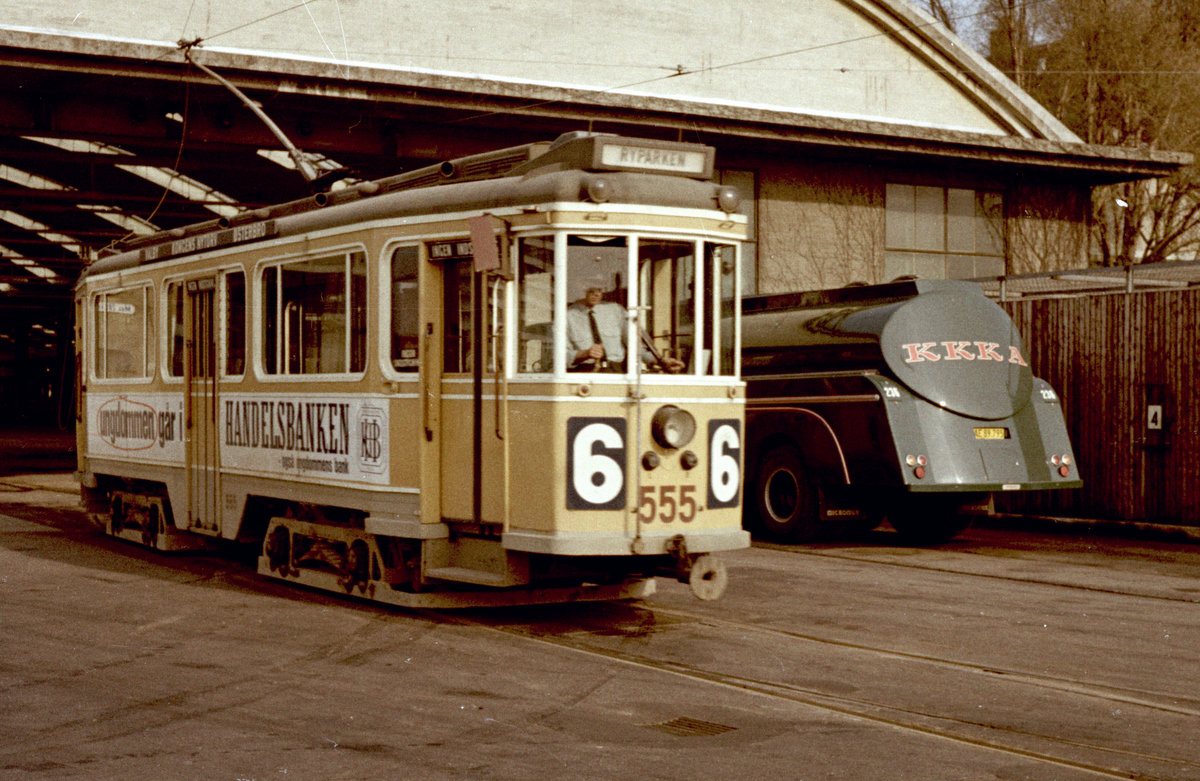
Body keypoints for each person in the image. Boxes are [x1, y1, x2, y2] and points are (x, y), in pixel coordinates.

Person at [567, 286, 684, 372]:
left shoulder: (615, 310)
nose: (597, 294)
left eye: (600, 290)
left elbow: (635, 344)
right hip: (583, 375)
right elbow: (557, 356)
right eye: (591, 290)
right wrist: (584, 354)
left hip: (615, 372)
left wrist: (660, 361)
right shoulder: (567, 316)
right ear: (580, 289)